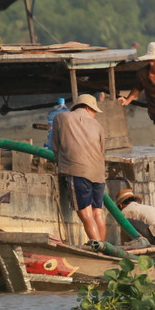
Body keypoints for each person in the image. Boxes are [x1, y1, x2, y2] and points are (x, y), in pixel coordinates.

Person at [51, 94, 107, 243]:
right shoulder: (98, 125)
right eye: (95, 110)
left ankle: (99, 253)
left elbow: (55, 146)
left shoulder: (60, 118)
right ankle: (106, 250)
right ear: (88, 108)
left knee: (86, 214)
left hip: (77, 171)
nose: (94, 114)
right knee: (98, 213)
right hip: (99, 173)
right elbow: (102, 151)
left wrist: (60, 164)